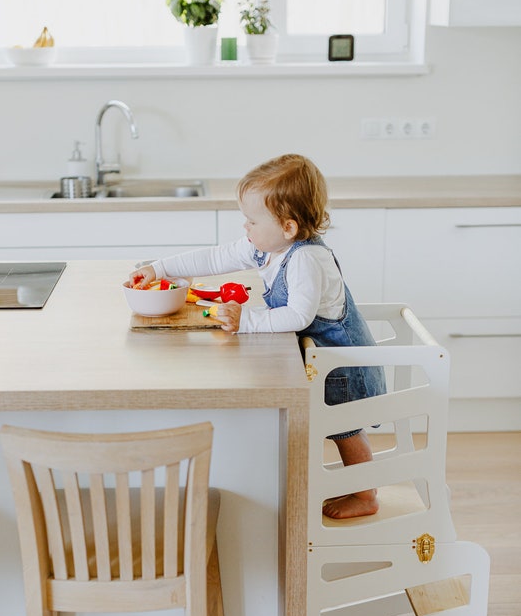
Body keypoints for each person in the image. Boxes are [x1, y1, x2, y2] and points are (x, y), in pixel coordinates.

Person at [129, 153, 386, 519]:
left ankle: (366, 495)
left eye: (252, 220)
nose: (245, 228)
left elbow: (298, 315)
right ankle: (335, 485)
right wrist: (157, 268)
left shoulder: (305, 260)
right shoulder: (269, 248)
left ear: (288, 227)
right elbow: (215, 258)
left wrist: (246, 321)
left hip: (341, 363)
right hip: (317, 360)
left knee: (346, 430)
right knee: (335, 428)